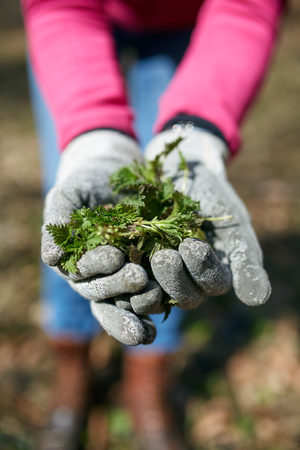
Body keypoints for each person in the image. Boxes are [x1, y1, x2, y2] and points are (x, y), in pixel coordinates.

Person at [22, 0, 285, 449]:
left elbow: (246, 8)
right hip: (77, 19)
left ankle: (149, 379)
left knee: (180, 248)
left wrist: (197, 136)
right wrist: (92, 137)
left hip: (192, 22)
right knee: (72, 193)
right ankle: (73, 368)